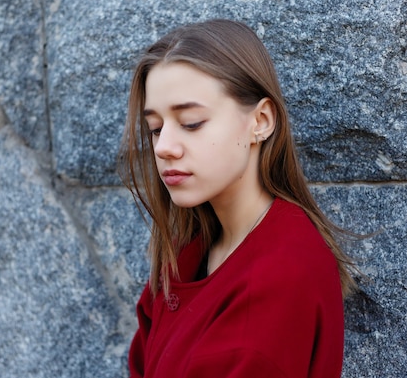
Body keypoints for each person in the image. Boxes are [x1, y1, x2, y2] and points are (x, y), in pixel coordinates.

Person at [118, 19, 356, 378]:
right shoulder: (188, 253)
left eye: (191, 122)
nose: (163, 147)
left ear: (260, 120)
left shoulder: (279, 277)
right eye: (155, 128)